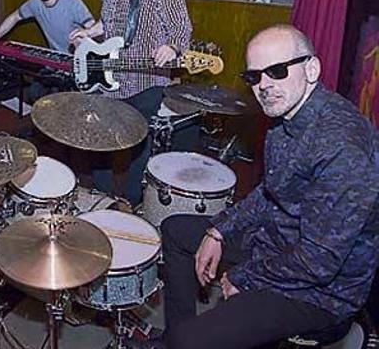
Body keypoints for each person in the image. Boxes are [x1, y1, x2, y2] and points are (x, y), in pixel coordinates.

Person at [154, 25, 379, 349]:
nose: (264, 85)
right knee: (176, 230)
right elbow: (273, 191)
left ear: (311, 69)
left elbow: (319, 261)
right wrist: (219, 230)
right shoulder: (284, 114)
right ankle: (182, 332)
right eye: (254, 77)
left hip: (321, 293)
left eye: (276, 70)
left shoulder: (342, 147)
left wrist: (245, 276)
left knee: (187, 341)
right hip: (277, 241)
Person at [70, 0, 192, 207]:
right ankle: (100, 202)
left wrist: (173, 49)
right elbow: (110, 22)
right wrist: (88, 32)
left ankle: (132, 205)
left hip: (145, 78)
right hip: (109, 75)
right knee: (100, 139)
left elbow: (181, 26)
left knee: (138, 146)